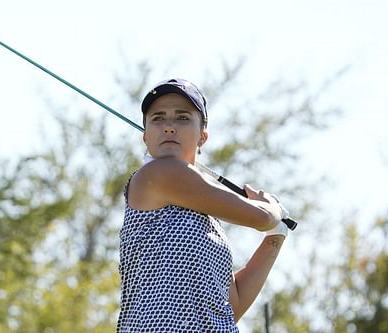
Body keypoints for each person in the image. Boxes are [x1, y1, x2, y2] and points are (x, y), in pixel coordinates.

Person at [117, 78, 289, 332]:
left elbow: (231, 307)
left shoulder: (209, 224)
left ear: (202, 136)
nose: (168, 127)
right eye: (158, 118)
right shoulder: (158, 173)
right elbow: (261, 218)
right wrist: (272, 208)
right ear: (145, 136)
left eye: (182, 118)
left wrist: (276, 236)